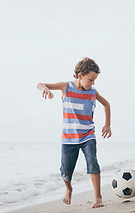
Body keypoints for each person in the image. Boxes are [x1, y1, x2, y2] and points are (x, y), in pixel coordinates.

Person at [37, 57, 112, 208]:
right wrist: (45, 88)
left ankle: (98, 197)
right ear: (80, 76)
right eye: (91, 80)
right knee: (65, 171)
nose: (93, 83)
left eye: (94, 80)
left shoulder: (93, 92)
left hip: (88, 135)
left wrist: (107, 124)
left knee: (93, 163)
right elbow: (40, 84)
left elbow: (106, 104)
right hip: (69, 138)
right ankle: (69, 188)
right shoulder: (66, 87)